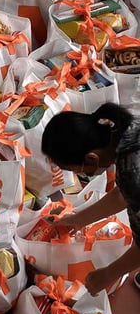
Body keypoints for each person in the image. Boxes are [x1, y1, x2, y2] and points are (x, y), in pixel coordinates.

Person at [40, 102, 140, 295]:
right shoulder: (123, 129)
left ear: (91, 159)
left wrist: (108, 274)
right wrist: (78, 220)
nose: (76, 174)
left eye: (74, 170)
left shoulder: (132, 172)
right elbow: (120, 195)